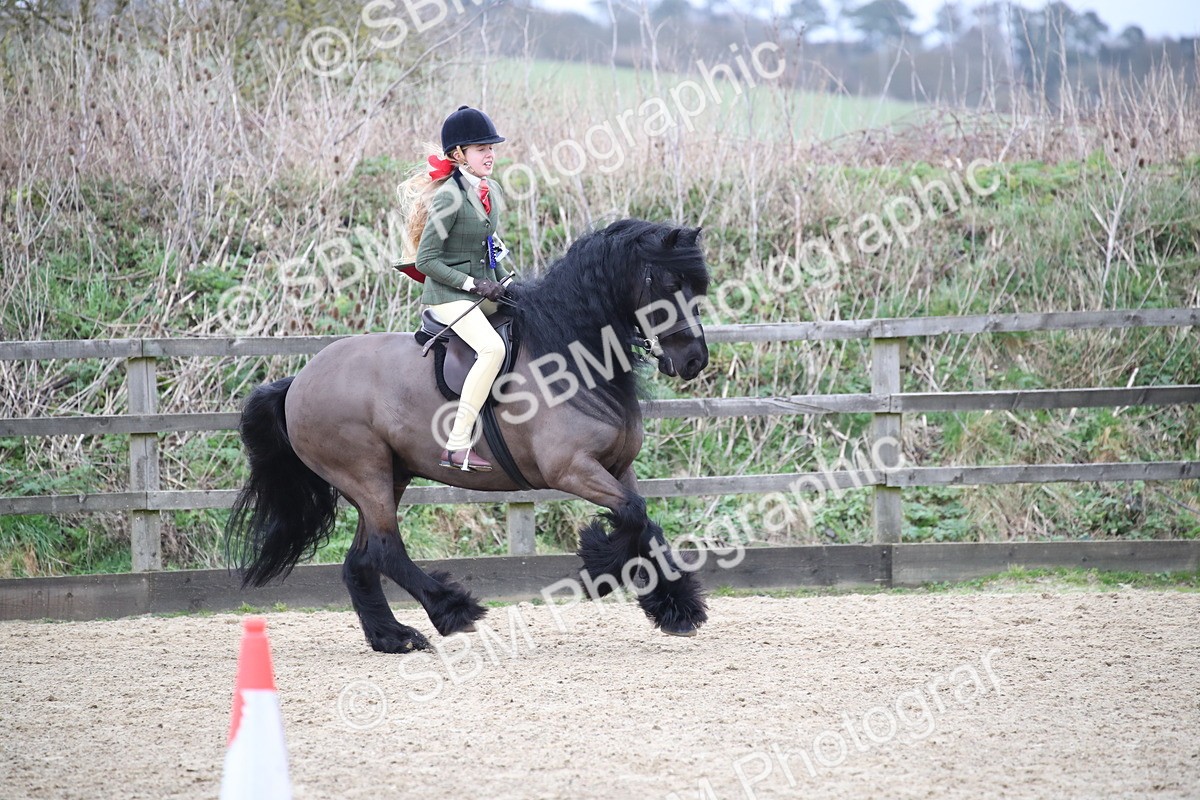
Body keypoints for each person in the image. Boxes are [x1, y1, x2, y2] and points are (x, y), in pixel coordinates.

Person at [404, 105, 513, 472]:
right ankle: (456, 444)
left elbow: (485, 240)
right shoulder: (448, 197)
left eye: (492, 148)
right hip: (449, 296)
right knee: (492, 348)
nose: (490, 155)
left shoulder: (490, 189)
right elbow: (426, 261)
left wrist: (503, 276)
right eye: (481, 148)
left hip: (483, 293)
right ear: (458, 155)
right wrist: (472, 283)